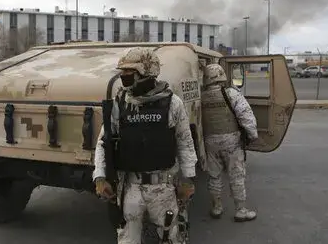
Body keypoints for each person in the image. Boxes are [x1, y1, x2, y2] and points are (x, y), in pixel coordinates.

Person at [92, 47, 198, 244]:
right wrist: (99, 176)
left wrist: (188, 179)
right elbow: (103, 143)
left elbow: (185, 143)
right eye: (122, 73)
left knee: (171, 237)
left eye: (128, 74)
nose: (123, 78)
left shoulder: (173, 103)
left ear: (146, 74)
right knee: (127, 240)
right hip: (130, 187)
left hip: (163, 188)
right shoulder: (119, 104)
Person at [201, 63, 259, 222]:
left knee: (214, 177)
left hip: (210, 141)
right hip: (231, 141)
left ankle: (216, 207)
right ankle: (241, 210)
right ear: (221, 76)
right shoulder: (231, 94)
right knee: (236, 176)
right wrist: (252, 135)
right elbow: (246, 116)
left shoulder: (201, 96)